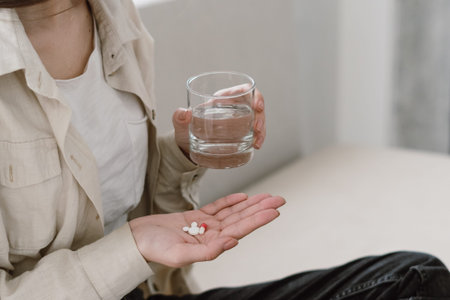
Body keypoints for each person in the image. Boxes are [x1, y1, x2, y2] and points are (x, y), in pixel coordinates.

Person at [0, 0, 449, 299]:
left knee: (415, 281)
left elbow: (129, 203)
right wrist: (130, 248)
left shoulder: (113, 15)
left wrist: (184, 152)